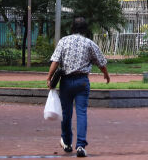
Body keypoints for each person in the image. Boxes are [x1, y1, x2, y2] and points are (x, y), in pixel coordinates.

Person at [46, 17, 110, 158]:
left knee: (66, 114)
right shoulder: (89, 43)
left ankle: (67, 142)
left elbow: (55, 61)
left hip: (66, 82)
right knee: (81, 113)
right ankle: (81, 145)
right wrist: (106, 75)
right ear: (85, 29)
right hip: (82, 82)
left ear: (72, 28)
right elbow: (101, 62)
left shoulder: (64, 41)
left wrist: (49, 77)